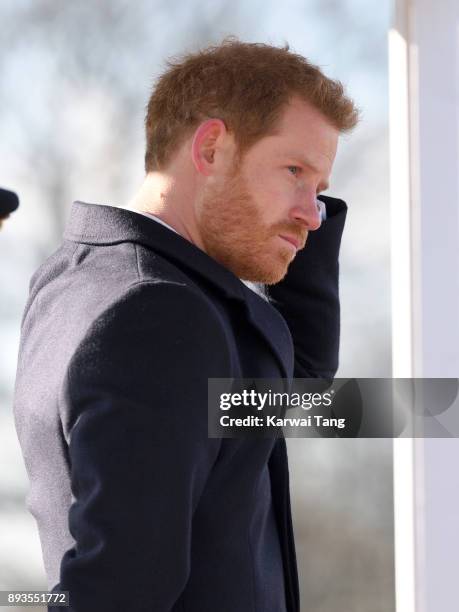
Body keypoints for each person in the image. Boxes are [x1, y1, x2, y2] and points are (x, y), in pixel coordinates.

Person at [13, 37, 358, 612]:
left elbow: (292, 391)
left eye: (318, 191)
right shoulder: (158, 315)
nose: (311, 212)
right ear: (212, 148)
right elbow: (119, 589)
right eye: (293, 171)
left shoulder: (84, 280)